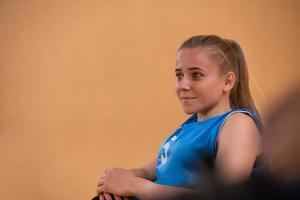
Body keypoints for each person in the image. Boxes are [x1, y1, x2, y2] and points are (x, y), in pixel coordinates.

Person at [94, 35, 263, 200]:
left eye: (196, 75)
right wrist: (114, 181)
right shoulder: (191, 126)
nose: (183, 85)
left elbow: (227, 196)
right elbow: (147, 172)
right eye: (179, 76)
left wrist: (137, 187)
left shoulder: (239, 124)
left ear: (227, 81)